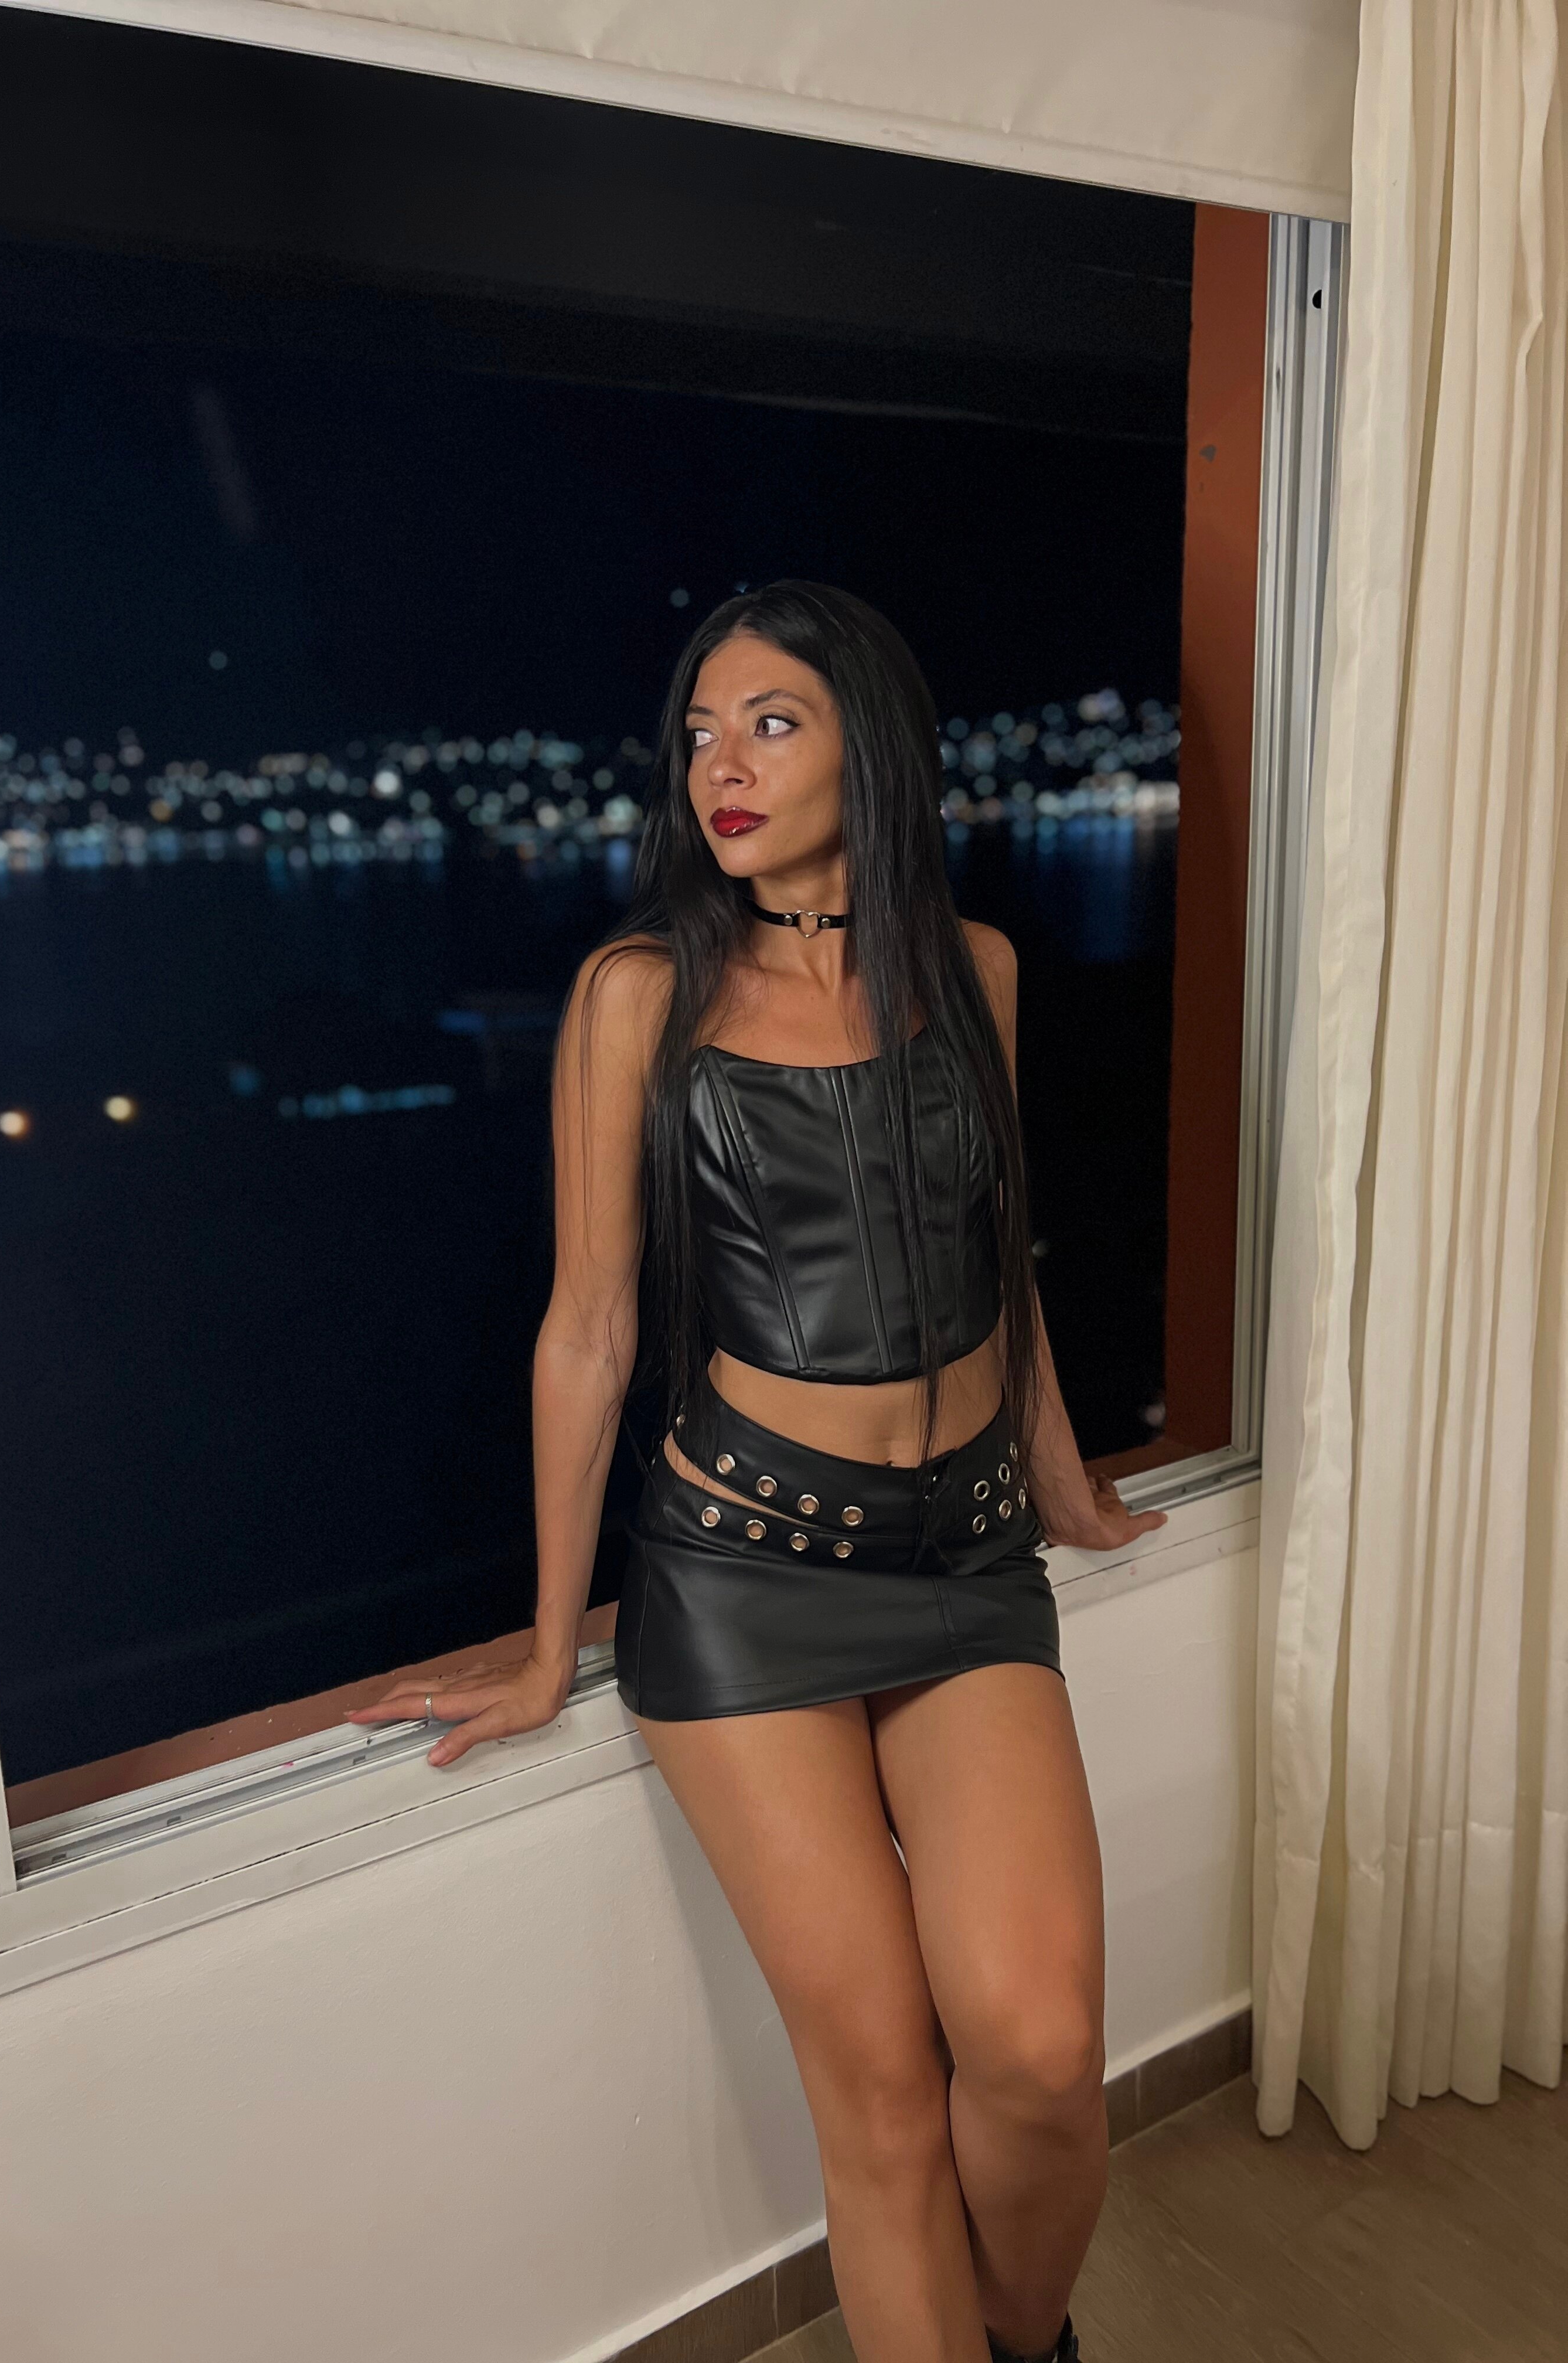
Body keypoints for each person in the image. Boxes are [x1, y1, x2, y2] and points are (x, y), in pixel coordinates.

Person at [352, 582, 1165, 2362]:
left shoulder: (976, 967)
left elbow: (1001, 1259)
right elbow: (588, 1329)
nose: (720, 765)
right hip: (744, 1573)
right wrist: (548, 1641)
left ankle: (1026, 2344)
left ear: (869, 742)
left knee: (1038, 2053)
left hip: (968, 1559)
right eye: (702, 733)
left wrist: (1067, 1485)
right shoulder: (638, 993)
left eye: (772, 724)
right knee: (880, 2095)